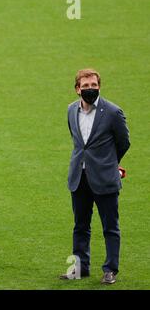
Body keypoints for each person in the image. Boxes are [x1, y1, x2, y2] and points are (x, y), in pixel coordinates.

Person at [60, 69, 130, 284]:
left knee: (110, 226)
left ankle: (110, 270)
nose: (90, 89)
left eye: (94, 85)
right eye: (86, 85)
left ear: (99, 86)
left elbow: (123, 142)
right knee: (80, 225)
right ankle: (80, 268)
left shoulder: (112, 112)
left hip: (104, 177)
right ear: (77, 89)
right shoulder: (72, 110)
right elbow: (77, 140)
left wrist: (108, 163)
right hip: (78, 177)